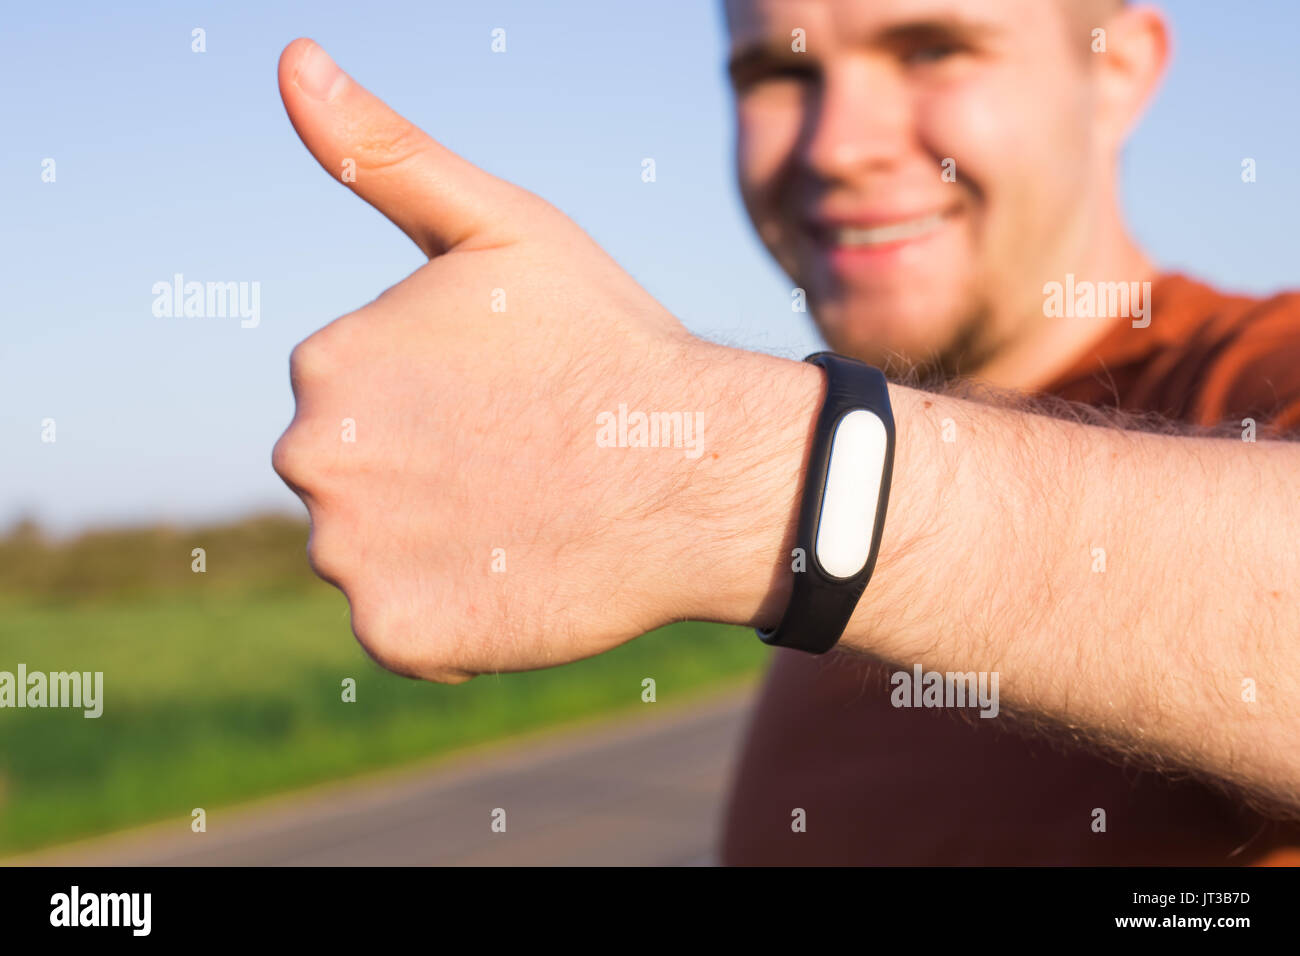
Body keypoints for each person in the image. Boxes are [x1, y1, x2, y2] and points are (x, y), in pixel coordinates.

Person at [269, 0, 1300, 867]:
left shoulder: (1256, 372)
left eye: (932, 48)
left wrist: (737, 474)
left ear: (1113, 72)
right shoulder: (837, 578)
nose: (836, 146)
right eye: (776, 72)